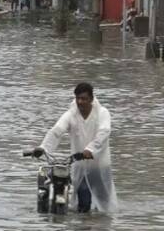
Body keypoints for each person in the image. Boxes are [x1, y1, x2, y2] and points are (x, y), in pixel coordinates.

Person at [32, 82, 117, 214]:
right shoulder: (71, 114)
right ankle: (83, 229)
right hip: (80, 165)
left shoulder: (102, 113)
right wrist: (43, 147)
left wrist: (90, 149)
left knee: (104, 206)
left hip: (99, 165)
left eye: (84, 98)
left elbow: (104, 132)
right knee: (83, 199)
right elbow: (57, 131)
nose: (80, 102)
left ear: (91, 99)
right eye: (78, 98)